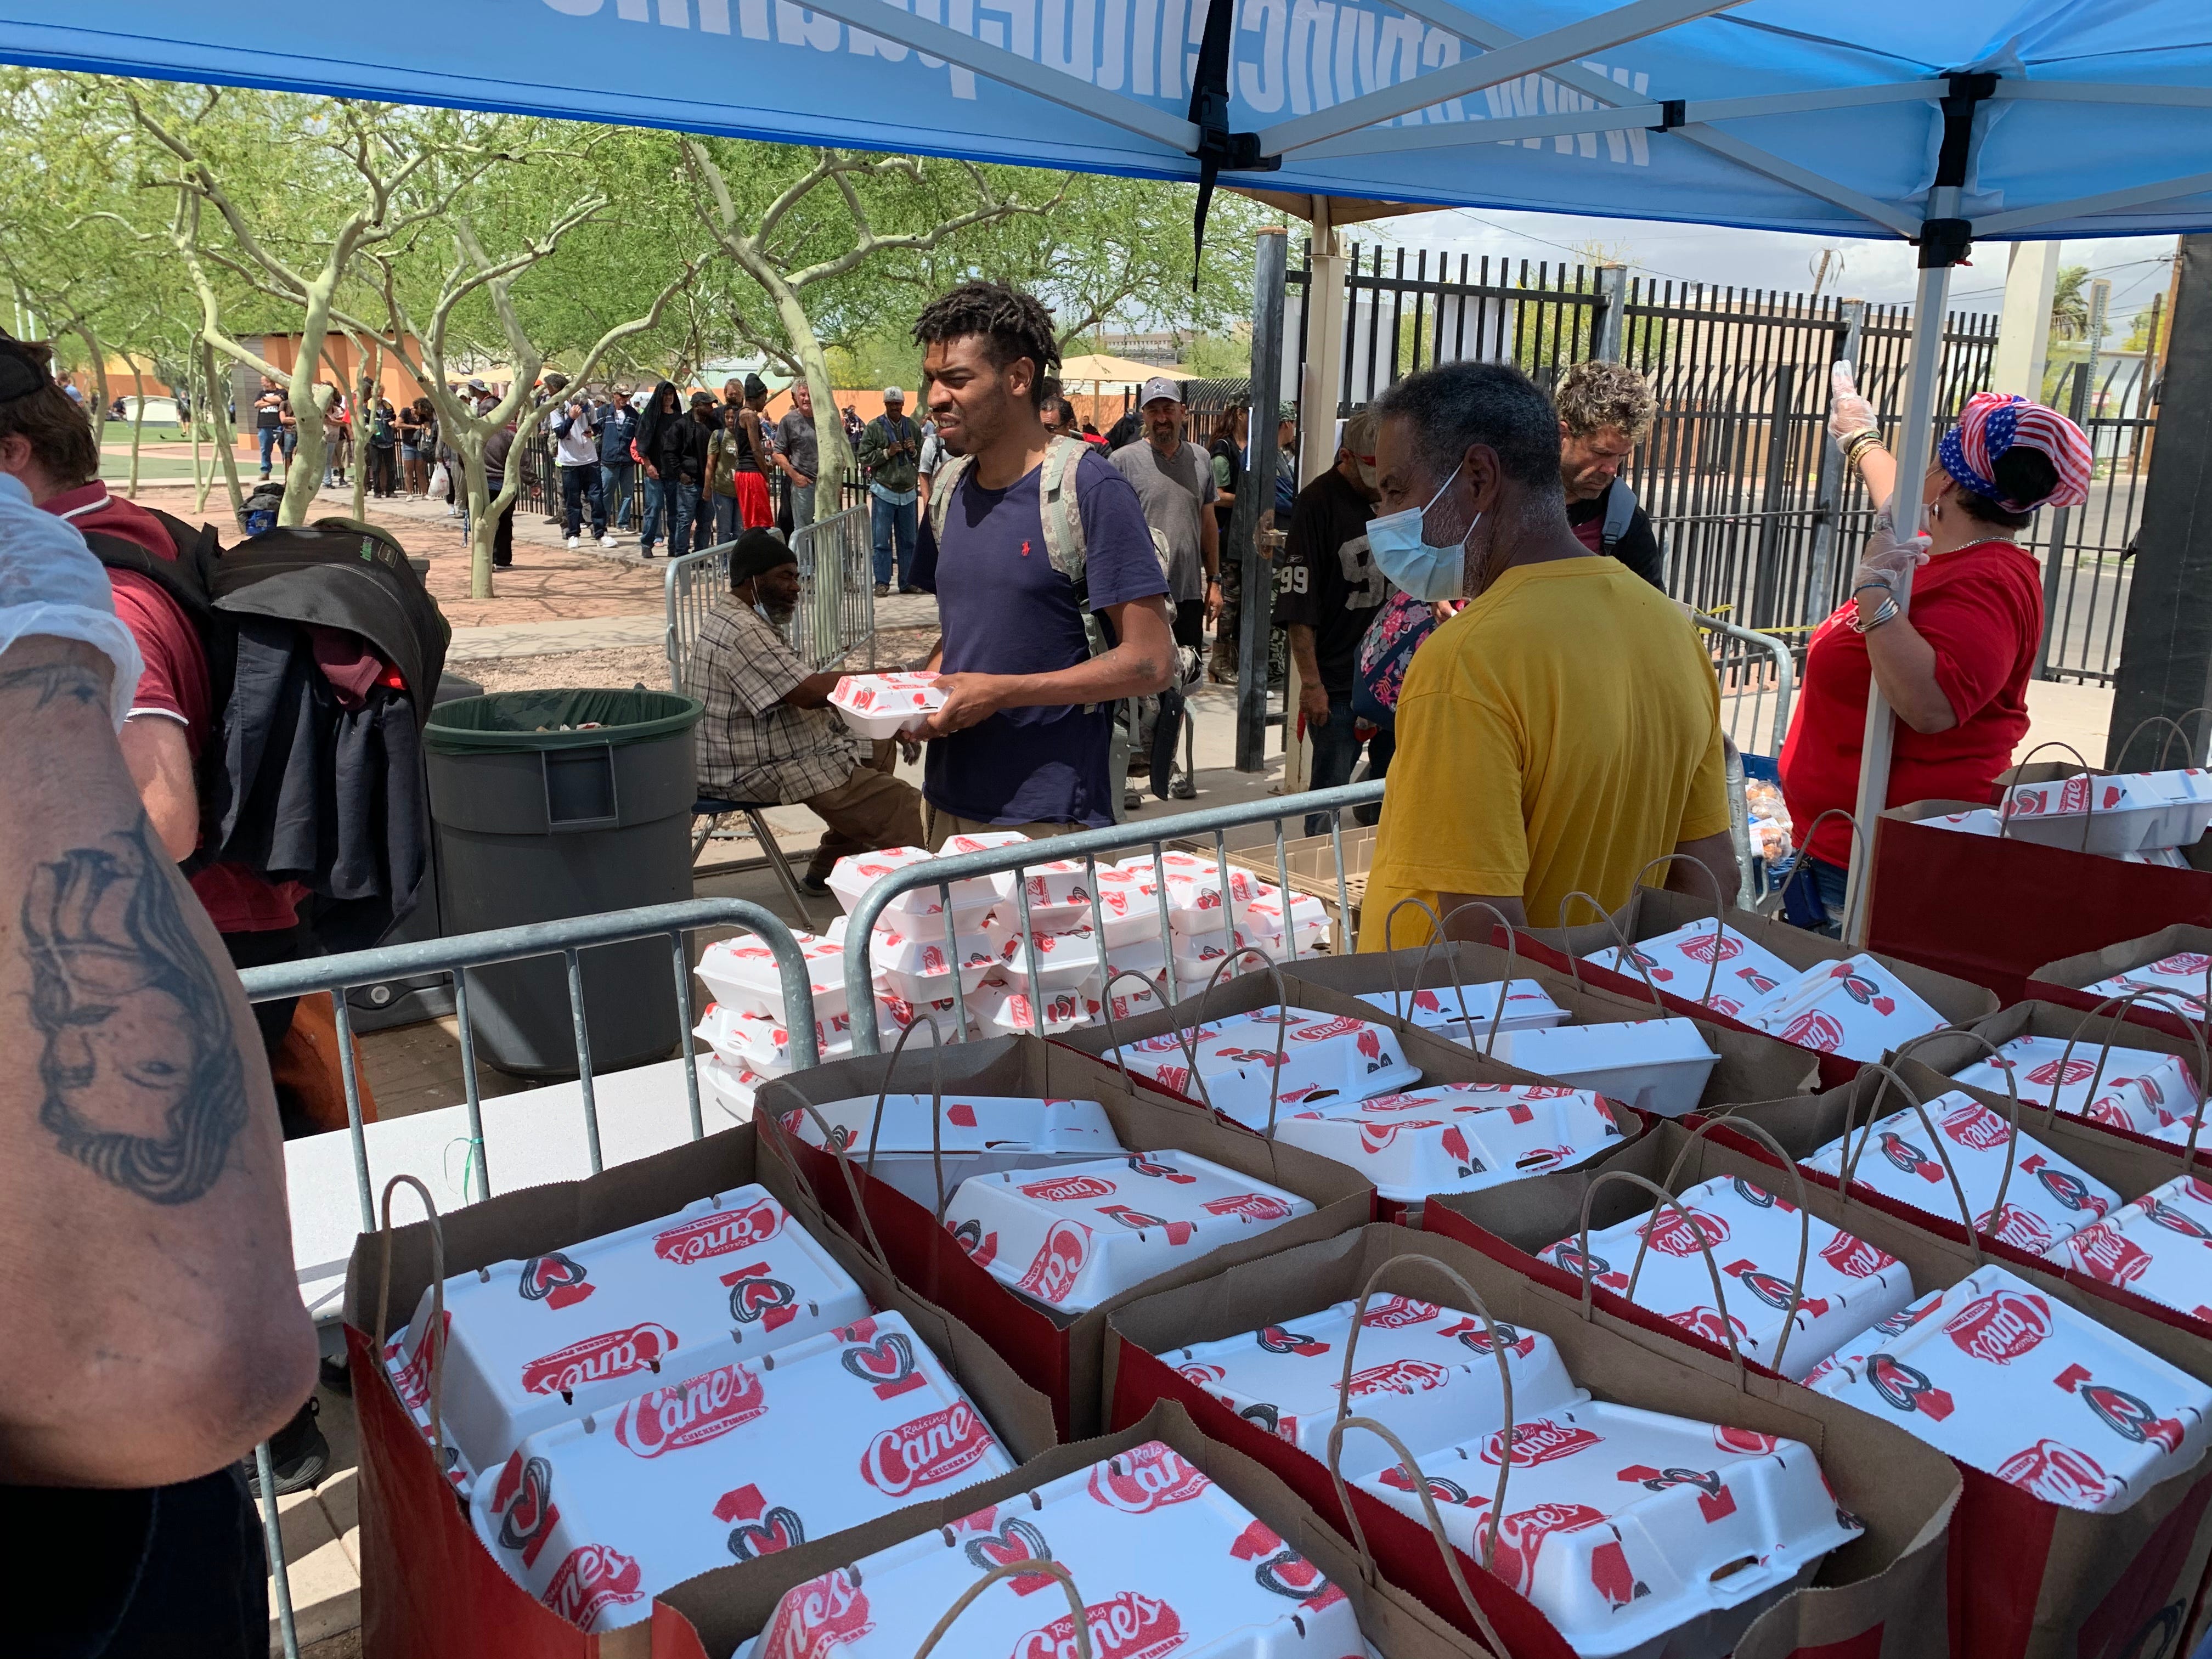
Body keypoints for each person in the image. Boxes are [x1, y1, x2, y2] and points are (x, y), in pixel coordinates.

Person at [0, 334, 332, 1500]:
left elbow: (164, 811)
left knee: (197, 1232)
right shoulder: (131, 544)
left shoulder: (95, 590)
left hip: (207, 939)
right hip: (212, 939)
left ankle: (282, 1450)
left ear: (13, 455)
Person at [1356, 360, 1736, 945]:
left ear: (1479, 477)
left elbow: (1480, 936)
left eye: (1395, 490)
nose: (1383, 519)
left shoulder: (1466, 663)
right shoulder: (1671, 631)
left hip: (1452, 1027)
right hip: (1613, 1014)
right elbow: (1710, 881)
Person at [1776, 371, 2092, 933]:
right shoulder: (1941, 551)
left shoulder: (1988, 581)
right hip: (1846, 846)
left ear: (1945, 480)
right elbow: (1899, 499)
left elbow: (1932, 705)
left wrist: (1873, 593)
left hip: (1880, 865)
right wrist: (1860, 439)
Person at [908, 281, 1174, 844]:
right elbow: (962, 635)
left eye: (956, 380)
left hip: (1048, 818)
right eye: (932, 379)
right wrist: (913, 700)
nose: (935, 398)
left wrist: (1002, 692)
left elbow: (1151, 662)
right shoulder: (950, 490)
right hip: (946, 803)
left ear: (1019, 378)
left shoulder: (1090, 489)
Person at [689, 529, 925, 891]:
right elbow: (808, 691)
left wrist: (885, 714)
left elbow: (803, 689)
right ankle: (939, 885)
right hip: (750, 765)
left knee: (874, 742)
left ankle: (830, 868)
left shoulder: (743, 618)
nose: (796, 587)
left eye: (797, 577)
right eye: (785, 576)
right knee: (906, 809)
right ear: (753, 578)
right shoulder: (741, 630)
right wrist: (894, 679)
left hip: (762, 747)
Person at [1276, 407, 1390, 834]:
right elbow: (1298, 607)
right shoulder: (1318, 503)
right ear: (1348, 458)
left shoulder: (1394, 498)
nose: (1382, 491)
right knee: (1329, 792)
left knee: (1391, 787)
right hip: (1338, 679)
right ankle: (1319, 876)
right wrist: (1311, 684)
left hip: (1391, 676)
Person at [1110, 375, 1218, 658]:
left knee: (1186, 679)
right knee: (1145, 685)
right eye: (1153, 411)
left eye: (1168, 410)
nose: (1161, 418)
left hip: (1189, 592)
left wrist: (1215, 583)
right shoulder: (1122, 461)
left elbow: (1208, 524)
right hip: (1142, 596)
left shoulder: (1202, 459)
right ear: (1143, 414)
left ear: (1183, 411)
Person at [1554, 359, 1664, 589]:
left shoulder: (1626, 521)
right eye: (1600, 453)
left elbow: (1650, 612)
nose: (1612, 469)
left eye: (1621, 456)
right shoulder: (1506, 493)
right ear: (1562, 435)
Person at [861, 386, 923, 596]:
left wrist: (914, 450)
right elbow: (863, 456)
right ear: (885, 405)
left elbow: (923, 458)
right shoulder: (875, 427)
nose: (895, 407)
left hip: (908, 492)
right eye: (891, 404)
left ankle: (907, 582)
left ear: (903, 405)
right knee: (881, 541)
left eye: (898, 404)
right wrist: (887, 453)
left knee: (909, 541)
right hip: (884, 491)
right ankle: (882, 582)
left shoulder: (912, 426)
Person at [1206, 398, 1248, 681]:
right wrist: (1250, 500)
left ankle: (1235, 659)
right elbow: (1218, 494)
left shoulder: (1254, 446)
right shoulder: (1224, 449)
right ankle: (1220, 661)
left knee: (1244, 599)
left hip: (1245, 535)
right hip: (1227, 535)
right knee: (1229, 600)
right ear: (1240, 414)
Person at [549, 391, 612, 549]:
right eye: (580, 405)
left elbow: (597, 427)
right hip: (570, 461)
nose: (583, 407)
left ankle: (601, 533)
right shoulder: (558, 407)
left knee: (596, 498)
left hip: (589, 459)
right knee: (573, 500)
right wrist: (571, 418)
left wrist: (593, 432)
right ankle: (574, 534)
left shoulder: (590, 405)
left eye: (584, 404)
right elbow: (561, 433)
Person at [732, 374, 776, 535]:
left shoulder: (739, 415)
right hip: (752, 475)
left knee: (752, 523)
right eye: (764, 398)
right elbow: (756, 450)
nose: (765, 403)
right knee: (759, 525)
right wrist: (766, 475)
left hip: (744, 473)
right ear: (757, 397)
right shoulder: (750, 416)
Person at [778, 380, 819, 536]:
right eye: (802, 395)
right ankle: (804, 561)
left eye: (810, 395)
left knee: (830, 528)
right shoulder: (789, 421)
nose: (807, 399)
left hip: (825, 485)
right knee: (803, 532)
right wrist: (795, 476)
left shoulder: (825, 418)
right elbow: (777, 452)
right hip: (804, 486)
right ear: (796, 397)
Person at [597, 386, 639, 532]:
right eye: (622, 395)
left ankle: (623, 523)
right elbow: (596, 430)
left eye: (627, 396)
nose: (624, 399)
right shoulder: (603, 411)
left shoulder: (633, 414)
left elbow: (639, 433)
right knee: (606, 493)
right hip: (609, 460)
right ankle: (601, 524)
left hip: (627, 461)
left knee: (628, 494)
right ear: (614, 395)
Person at [253, 379, 287, 478]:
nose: (262, 383)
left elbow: (280, 400)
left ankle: (288, 471)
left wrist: (264, 401)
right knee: (265, 449)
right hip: (264, 425)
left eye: (263, 381)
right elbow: (257, 404)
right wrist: (271, 402)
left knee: (285, 449)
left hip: (279, 424)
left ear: (269, 382)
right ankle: (265, 471)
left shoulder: (282, 392)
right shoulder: (261, 393)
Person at [367, 396, 399, 498]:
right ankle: (377, 491)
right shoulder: (368, 407)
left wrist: (393, 424)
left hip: (388, 441)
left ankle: (390, 490)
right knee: (376, 468)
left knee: (391, 468)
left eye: (381, 395)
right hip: (375, 442)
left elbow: (393, 418)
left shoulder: (388, 407)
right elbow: (364, 421)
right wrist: (369, 427)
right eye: (377, 395)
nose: (379, 398)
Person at [397, 397, 428, 496]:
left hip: (420, 445)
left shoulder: (423, 416)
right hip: (408, 445)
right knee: (409, 470)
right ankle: (410, 493)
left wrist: (427, 430)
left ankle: (425, 493)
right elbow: (398, 424)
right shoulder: (406, 411)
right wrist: (415, 427)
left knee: (421, 470)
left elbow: (428, 427)